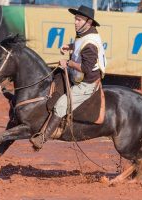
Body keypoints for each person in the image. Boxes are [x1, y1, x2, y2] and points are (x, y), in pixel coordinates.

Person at [30, 5, 107, 150]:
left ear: (88, 22)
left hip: (87, 84)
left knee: (60, 106)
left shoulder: (90, 44)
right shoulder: (85, 34)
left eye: (79, 19)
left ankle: (42, 138)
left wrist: (69, 63)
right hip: (77, 77)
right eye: (75, 19)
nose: (75, 22)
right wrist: (70, 46)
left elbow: (86, 68)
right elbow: (80, 47)